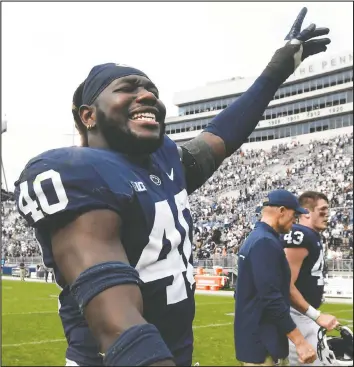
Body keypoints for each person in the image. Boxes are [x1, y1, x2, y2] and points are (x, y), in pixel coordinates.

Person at [14, 7, 330, 367]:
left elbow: (223, 135)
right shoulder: (76, 173)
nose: (148, 96)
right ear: (89, 116)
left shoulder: (165, 162)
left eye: (152, 89)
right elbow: (118, 323)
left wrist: (276, 71)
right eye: (127, 89)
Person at [234, 189, 317, 366]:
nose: (295, 221)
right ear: (281, 211)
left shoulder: (258, 238)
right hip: (263, 344)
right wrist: (300, 342)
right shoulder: (265, 242)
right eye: (294, 215)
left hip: (256, 340)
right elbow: (271, 297)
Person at [281, 191, 339, 366]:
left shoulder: (312, 236)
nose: (327, 216)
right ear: (306, 213)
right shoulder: (300, 235)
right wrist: (316, 314)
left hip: (306, 315)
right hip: (295, 316)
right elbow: (285, 284)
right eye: (322, 211)